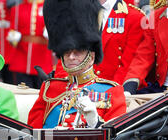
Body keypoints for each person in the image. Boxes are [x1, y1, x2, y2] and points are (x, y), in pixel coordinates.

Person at [27, 0, 127, 129]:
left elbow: (115, 138)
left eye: (78, 52)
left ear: (91, 57)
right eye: (67, 52)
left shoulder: (112, 91)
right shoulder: (49, 88)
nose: (71, 57)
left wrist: (94, 123)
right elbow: (32, 132)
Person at [6, 0, 54, 89]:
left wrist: (51, 32)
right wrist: (12, 36)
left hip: (42, 59)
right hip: (21, 59)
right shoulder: (17, 9)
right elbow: (12, 32)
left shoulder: (49, 8)